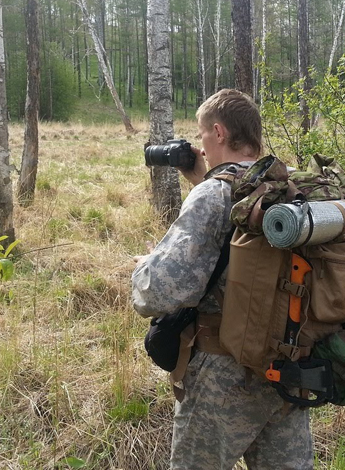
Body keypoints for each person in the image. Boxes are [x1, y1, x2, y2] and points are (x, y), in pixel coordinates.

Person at [132, 89, 314, 469]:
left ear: (218, 132)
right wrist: (201, 181)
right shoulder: (291, 187)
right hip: (287, 368)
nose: (200, 146)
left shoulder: (214, 195)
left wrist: (144, 264)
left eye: (201, 136)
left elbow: (159, 292)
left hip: (224, 375)